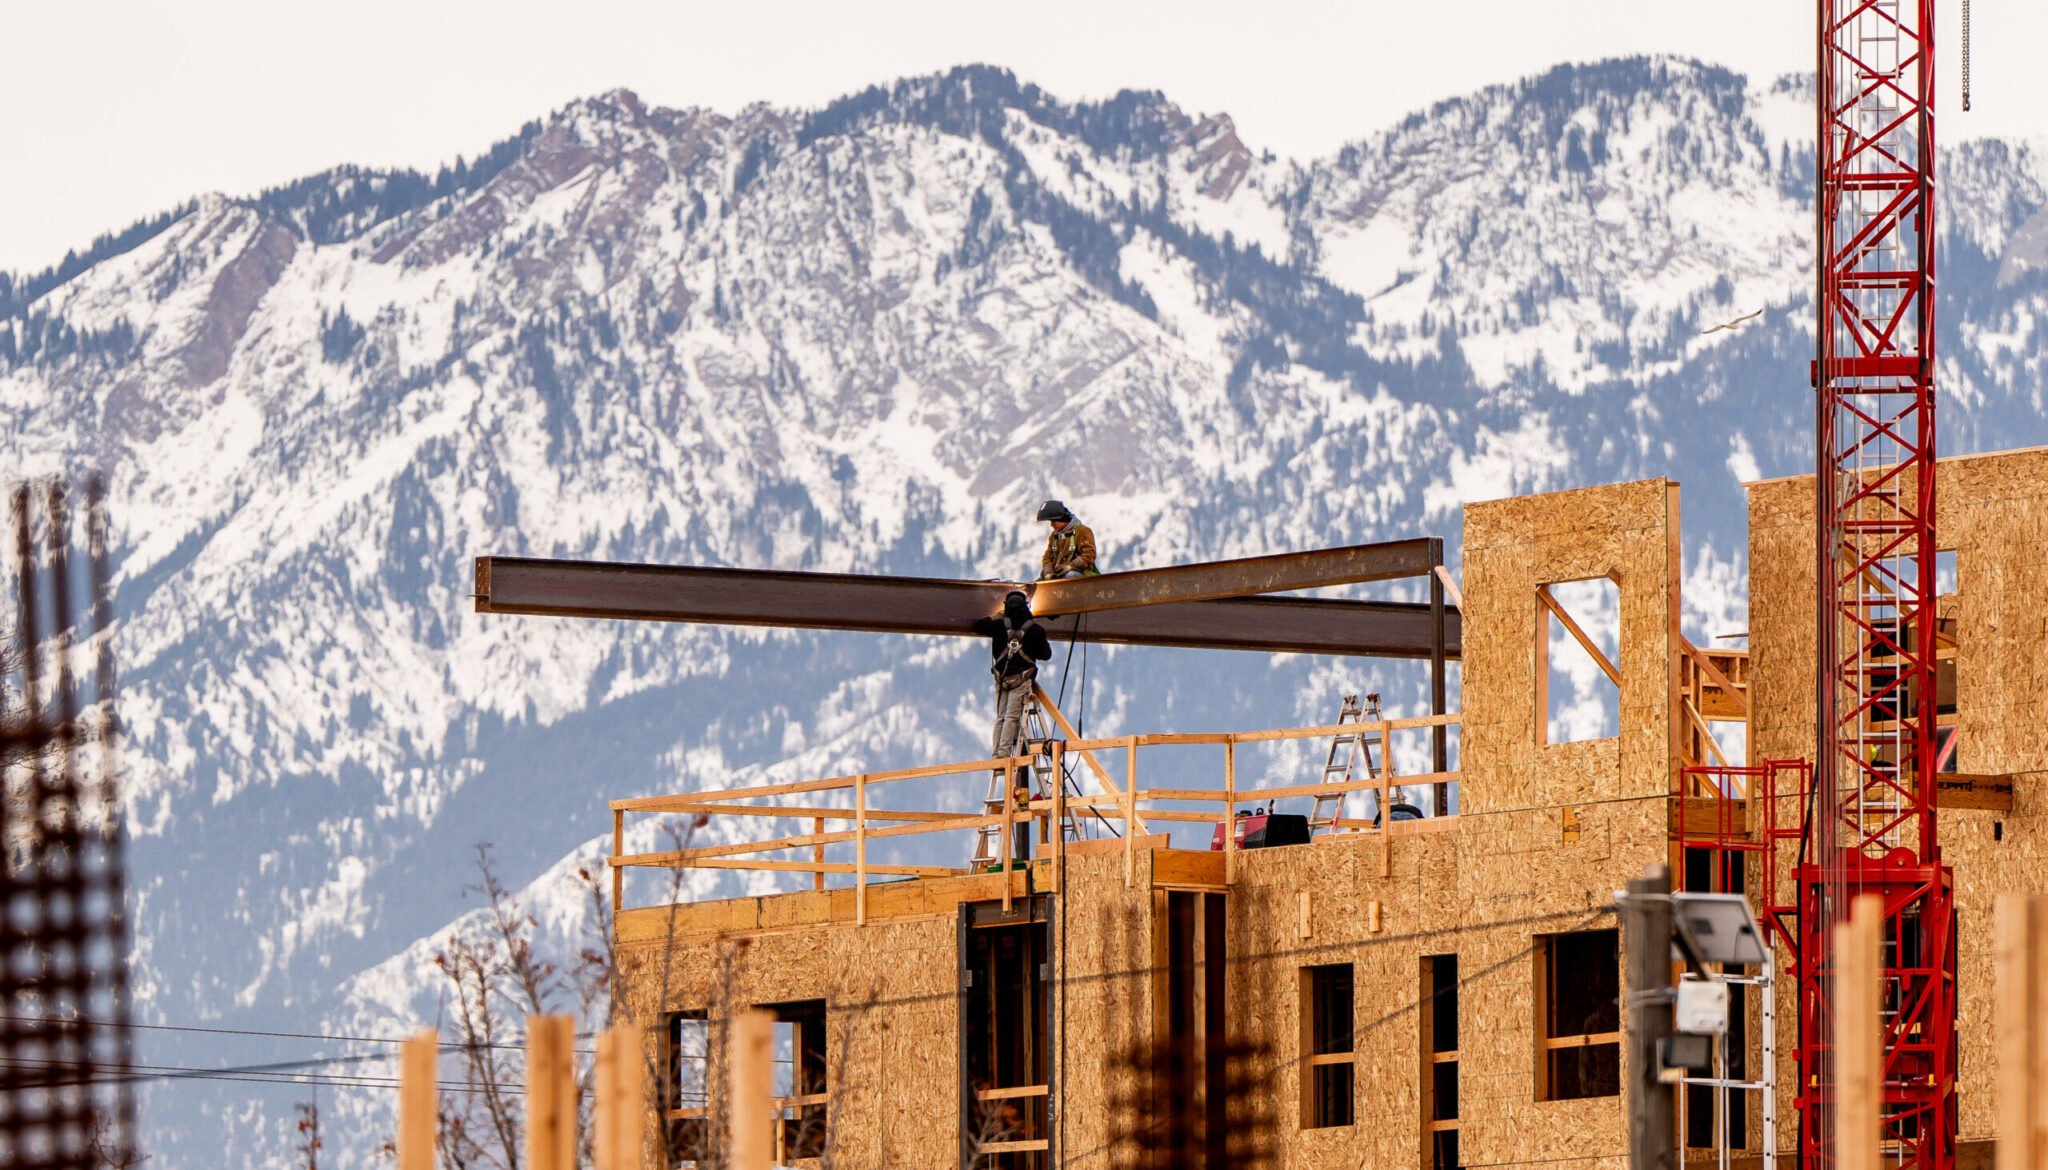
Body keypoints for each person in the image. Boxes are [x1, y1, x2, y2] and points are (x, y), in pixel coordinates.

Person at [971, 589, 1052, 787]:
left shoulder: (999, 625)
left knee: (1000, 716)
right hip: (1020, 680)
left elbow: (978, 625)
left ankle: (997, 754)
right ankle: (1003, 754)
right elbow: (1046, 654)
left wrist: (997, 617)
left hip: (1002, 678)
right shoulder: (1035, 630)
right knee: (1011, 717)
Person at [1036, 500, 1099, 579]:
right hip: (1058, 574)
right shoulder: (1054, 536)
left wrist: (1070, 566)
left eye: (1054, 521)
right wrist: (1047, 570)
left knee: (1070, 576)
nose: (1051, 525)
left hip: (1080, 573)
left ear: (1062, 519)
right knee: (1038, 584)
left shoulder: (1082, 531)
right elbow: (1047, 557)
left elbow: (1089, 555)